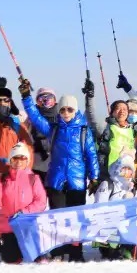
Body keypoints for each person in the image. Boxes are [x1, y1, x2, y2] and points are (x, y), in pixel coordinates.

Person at [20, 80, 100, 262]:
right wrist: (26, 97)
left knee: (75, 218)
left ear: (75, 111)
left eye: (69, 110)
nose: (65, 113)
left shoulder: (84, 131)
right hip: (56, 179)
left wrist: (94, 177)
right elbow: (35, 116)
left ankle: (75, 253)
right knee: (57, 217)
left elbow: (91, 155)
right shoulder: (53, 129)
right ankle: (58, 251)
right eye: (63, 110)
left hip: (77, 181)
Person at [0, 142, 48, 264]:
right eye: (15, 158)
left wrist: (23, 212)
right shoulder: (2, 178)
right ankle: (4, 246)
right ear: (10, 160)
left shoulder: (33, 178)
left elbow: (40, 202)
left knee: (35, 258)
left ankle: (38, 249)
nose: (19, 162)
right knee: (11, 259)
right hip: (9, 227)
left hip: (27, 227)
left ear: (27, 161)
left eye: (22, 158)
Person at [83, 74, 137, 181]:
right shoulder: (106, 128)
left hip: (126, 178)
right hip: (107, 177)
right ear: (112, 113)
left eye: (125, 109)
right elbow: (91, 116)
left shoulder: (132, 131)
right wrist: (89, 97)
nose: (122, 111)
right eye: (118, 108)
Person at [0, 80, 32, 193]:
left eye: (6, 100)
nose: (2, 103)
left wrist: (26, 171)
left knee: (11, 208)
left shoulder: (17, 124)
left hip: (12, 174)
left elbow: (29, 149)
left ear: (10, 103)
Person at [93, 152, 137, 260]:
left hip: (125, 231)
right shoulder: (108, 185)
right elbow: (99, 208)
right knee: (113, 255)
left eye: (129, 169)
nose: (127, 172)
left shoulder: (132, 188)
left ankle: (126, 249)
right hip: (108, 231)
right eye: (124, 168)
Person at [29, 88, 59, 183]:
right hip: (36, 165)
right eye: (41, 99)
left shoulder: (61, 117)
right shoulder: (31, 119)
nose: (45, 101)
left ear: (54, 100)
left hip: (56, 165)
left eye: (49, 98)